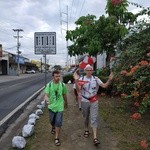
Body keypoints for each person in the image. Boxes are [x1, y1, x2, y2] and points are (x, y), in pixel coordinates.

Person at [74, 64, 113, 146]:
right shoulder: (82, 79)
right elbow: (78, 90)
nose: (89, 71)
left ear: (92, 71)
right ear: (85, 71)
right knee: (86, 117)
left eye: (90, 70)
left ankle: (95, 137)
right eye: (87, 70)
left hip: (94, 100)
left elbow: (104, 86)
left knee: (94, 118)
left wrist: (109, 79)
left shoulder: (95, 79)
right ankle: (86, 129)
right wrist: (77, 81)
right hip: (84, 100)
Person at [44, 70, 68, 146]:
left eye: (59, 76)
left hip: (60, 106)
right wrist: (47, 100)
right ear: (53, 77)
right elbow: (46, 95)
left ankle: (56, 138)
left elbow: (64, 95)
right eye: (56, 76)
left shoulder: (63, 85)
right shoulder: (49, 85)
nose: (58, 78)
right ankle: (53, 127)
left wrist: (66, 102)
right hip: (51, 107)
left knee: (58, 122)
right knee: (52, 121)